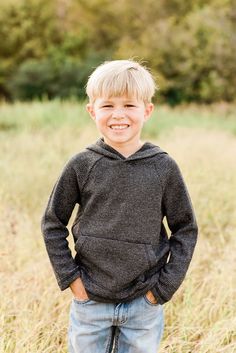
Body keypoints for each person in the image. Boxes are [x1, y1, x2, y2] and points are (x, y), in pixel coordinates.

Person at [41, 59, 198, 353]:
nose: (118, 115)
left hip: (144, 304)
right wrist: (72, 281)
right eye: (108, 106)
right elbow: (52, 223)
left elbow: (185, 229)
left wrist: (160, 290)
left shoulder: (163, 167)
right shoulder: (82, 165)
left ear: (147, 110)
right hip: (91, 301)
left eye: (129, 105)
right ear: (92, 111)